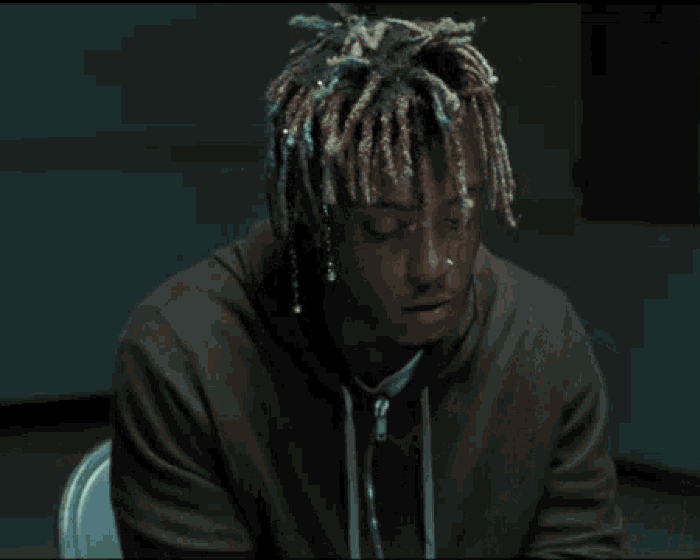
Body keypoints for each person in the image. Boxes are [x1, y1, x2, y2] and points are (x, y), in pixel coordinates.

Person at [110, 4, 626, 558]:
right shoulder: (183, 360)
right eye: (385, 229)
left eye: (457, 218)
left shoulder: (543, 344)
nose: (433, 265)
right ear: (311, 217)